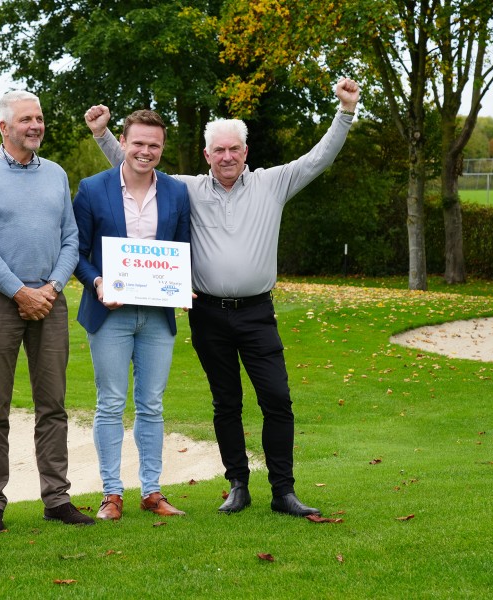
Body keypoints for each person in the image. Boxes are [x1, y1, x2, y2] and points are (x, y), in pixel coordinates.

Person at [85, 77, 361, 518]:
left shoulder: (273, 183)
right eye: (219, 150)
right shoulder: (187, 188)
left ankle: (283, 490)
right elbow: (136, 162)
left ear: (245, 153)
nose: (227, 156)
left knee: (277, 399)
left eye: (234, 149)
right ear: (207, 155)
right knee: (226, 403)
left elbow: (319, 158)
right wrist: (102, 135)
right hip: (209, 313)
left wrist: (345, 111)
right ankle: (238, 485)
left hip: (257, 312)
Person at [0, 90, 93, 532]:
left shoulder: (55, 173)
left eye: (39, 118)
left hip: (50, 301)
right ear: (4, 127)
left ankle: (57, 498)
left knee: (53, 405)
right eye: (26, 119)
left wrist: (51, 287)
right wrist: (19, 291)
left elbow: (71, 238)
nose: (36, 125)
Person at [73, 110, 190, 520]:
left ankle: (152, 491)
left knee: (152, 404)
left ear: (162, 148)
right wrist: (97, 282)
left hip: (158, 316)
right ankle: (111, 493)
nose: (145, 151)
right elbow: (77, 252)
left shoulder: (176, 192)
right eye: (138, 142)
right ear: (122, 142)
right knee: (110, 403)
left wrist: (182, 283)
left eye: (154, 145)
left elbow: (182, 248)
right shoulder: (92, 189)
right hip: (109, 314)